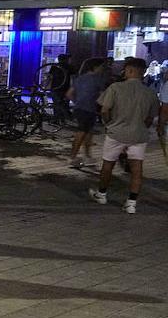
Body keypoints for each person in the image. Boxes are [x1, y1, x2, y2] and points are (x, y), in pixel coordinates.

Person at [89, 57, 158, 214]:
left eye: (126, 69)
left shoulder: (115, 88)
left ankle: (102, 194)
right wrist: (141, 126)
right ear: (144, 72)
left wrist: (109, 124)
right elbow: (150, 118)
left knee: (108, 164)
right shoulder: (150, 93)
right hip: (139, 134)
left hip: (116, 132)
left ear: (130, 70)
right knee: (136, 169)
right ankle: (131, 202)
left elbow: (104, 110)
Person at [67, 59, 107, 169]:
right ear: (95, 67)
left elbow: (69, 94)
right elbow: (103, 96)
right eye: (101, 66)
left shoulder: (79, 78)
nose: (102, 69)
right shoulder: (98, 79)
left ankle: (87, 156)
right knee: (82, 132)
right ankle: (73, 157)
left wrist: (77, 102)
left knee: (88, 132)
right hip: (89, 108)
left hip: (79, 108)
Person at [46, 53, 74, 121]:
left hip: (55, 88)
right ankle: (63, 118)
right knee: (64, 103)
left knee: (56, 104)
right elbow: (73, 77)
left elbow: (49, 77)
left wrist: (47, 85)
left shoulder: (54, 66)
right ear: (66, 59)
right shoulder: (69, 67)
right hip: (65, 88)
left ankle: (56, 119)